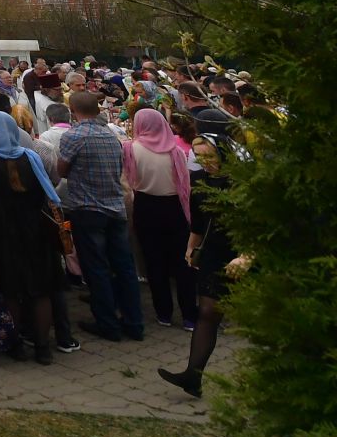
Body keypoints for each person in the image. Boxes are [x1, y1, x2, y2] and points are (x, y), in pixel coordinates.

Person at [0, 111, 68, 362]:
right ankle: (43, 347)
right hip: (34, 229)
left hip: (2, 231)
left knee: (10, 289)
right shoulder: (30, 157)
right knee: (40, 290)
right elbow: (45, 191)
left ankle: (15, 346)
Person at [160, 135, 246, 397]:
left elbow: (259, 224)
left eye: (209, 155)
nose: (204, 162)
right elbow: (198, 223)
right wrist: (190, 247)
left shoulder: (242, 183)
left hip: (240, 255)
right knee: (207, 311)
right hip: (213, 254)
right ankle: (193, 375)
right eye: (199, 156)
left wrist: (247, 254)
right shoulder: (200, 183)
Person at [57, 90, 145, 342]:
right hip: (115, 206)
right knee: (124, 266)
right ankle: (134, 322)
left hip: (87, 208)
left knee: (96, 268)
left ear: (73, 110)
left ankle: (107, 323)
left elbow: (62, 170)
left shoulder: (74, 135)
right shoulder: (112, 135)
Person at [126, 107, 198, 329]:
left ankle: (164, 312)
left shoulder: (130, 148)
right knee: (182, 263)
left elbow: (130, 181)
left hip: (146, 206)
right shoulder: (175, 151)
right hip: (175, 207)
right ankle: (189, 315)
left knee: (154, 261)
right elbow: (184, 183)